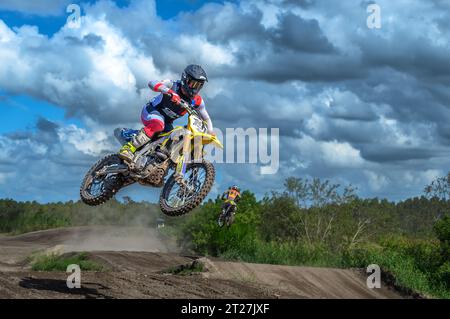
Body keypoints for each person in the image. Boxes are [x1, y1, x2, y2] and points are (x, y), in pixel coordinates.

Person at [119, 64, 214, 164]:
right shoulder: (172, 85)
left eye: (198, 85)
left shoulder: (197, 101)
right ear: (185, 79)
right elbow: (152, 83)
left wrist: (210, 132)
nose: (195, 88)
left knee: (172, 141)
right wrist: (169, 92)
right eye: (193, 84)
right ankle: (128, 148)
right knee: (158, 124)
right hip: (151, 111)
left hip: (167, 123)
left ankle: (151, 164)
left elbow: (206, 118)